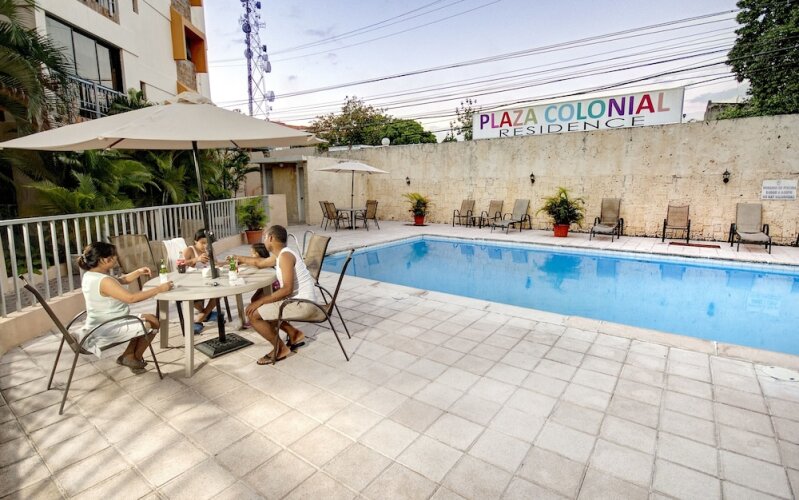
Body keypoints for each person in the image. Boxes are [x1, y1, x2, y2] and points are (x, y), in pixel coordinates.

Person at [77, 241, 173, 372]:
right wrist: (159, 289)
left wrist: (138, 272)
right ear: (103, 260)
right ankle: (133, 357)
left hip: (101, 322)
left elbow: (121, 280)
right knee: (153, 323)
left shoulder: (91, 275)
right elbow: (131, 298)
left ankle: (129, 357)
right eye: (113, 255)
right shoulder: (104, 280)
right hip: (108, 327)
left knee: (151, 319)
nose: (116, 257)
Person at [240, 225, 322, 365]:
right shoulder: (282, 255)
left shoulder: (285, 257)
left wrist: (260, 301)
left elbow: (287, 289)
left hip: (304, 305)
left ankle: (280, 349)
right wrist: (237, 258)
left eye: (264, 237)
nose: (263, 241)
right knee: (266, 310)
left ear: (271, 238)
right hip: (301, 302)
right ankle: (294, 334)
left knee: (253, 314)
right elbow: (259, 263)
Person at [182, 229, 219, 333]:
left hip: (207, 281)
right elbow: (180, 264)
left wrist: (230, 262)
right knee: (194, 298)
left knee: (220, 291)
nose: (205, 246)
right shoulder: (189, 250)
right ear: (195, 241)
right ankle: (206, 313)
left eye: (207, 243)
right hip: (192, 284)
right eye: (202, 243)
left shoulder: (210, 250)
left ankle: (202, 315)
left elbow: (216, 264)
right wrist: (196, 259)